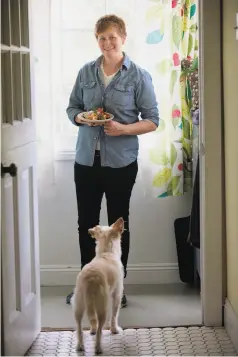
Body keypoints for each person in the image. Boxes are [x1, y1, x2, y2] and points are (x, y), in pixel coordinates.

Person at [66, 14, 159, 307]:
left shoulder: (139, 76)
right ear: (97, 40)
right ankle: (88, 287)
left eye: (112, 38)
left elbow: (153, 120)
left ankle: (117, 290)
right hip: (86, 161)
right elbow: (73, 109)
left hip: (121, 162)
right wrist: (81, 117)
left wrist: (123, 129)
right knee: (87, 225)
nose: (107, 43)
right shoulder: (85, 72)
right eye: (102, 38)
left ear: (123, 38)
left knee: (119, 226)